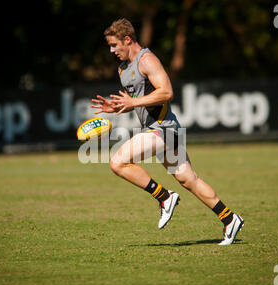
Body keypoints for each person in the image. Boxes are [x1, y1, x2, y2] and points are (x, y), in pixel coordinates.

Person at [91, 18, 244, 245]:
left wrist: (133, 103)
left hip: (164, 129)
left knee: (118, 162)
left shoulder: (147, 60)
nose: (112, 51)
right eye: (110, 47)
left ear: (127, 39)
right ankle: (230, 218)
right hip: (157, 129)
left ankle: (164, 197)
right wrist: (118, 107)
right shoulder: (123, 68)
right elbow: (141, 100)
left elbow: (167, 92)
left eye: (114, 45)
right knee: (188, 179)